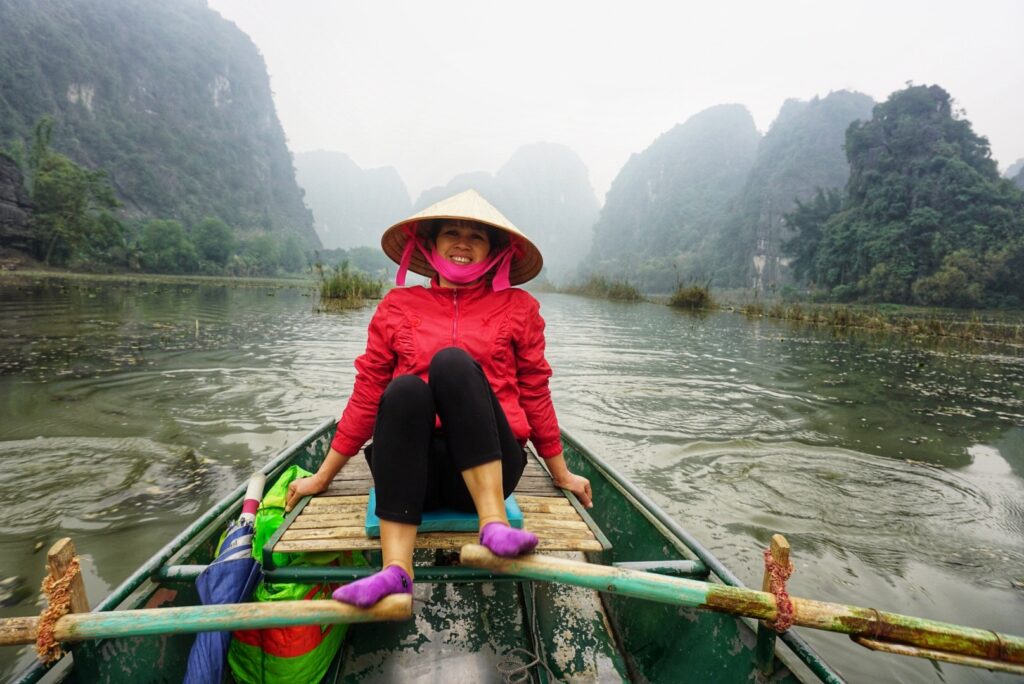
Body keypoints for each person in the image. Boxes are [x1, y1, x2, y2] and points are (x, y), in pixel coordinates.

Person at [284, 189, 592, 607]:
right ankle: (396, 571)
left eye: (476, 236)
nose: (462, 243)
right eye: (451, 232)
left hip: (492, 473)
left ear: (495, 251)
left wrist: (562, 473)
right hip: (415, 477)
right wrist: (323, 476)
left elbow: (536, 392)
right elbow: (367, 393)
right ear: (430, 244)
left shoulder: (519, 308)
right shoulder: (397, 306)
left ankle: (494, 528)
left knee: (451, 363)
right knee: (404, 389)